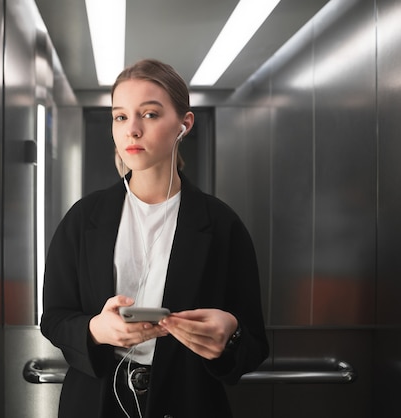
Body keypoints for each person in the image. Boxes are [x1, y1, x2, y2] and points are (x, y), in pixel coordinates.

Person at [40, 58, 269, 418]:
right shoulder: (84, 219)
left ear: (184, 124)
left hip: (189, 401)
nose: (132, 129)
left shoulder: (222, 224)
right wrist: (95, 329)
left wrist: (231, 335)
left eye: (149, 114)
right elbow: (53, 318)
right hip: (97, 403)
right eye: (120, 116)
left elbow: (254, 343)